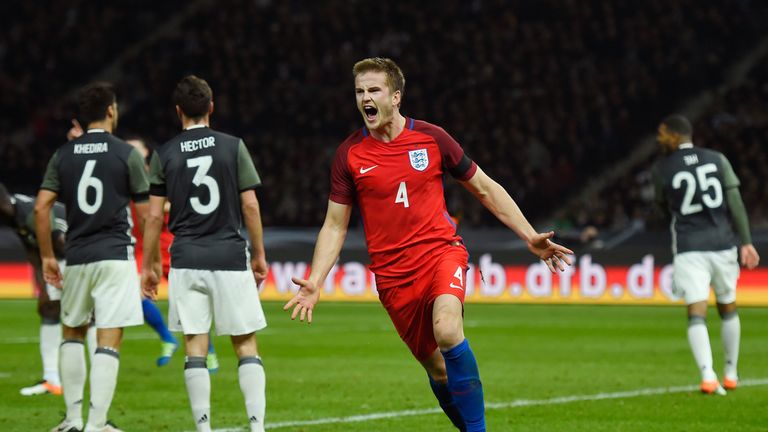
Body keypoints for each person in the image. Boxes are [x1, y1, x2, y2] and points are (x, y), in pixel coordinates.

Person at [283, 57, 573, 432]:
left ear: (396, 97)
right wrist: (316, 280)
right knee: (438, 370)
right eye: (359, 92)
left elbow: (484, 187)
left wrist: (529, 234)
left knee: (448, 330)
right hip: (393, 278)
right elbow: (335, 226)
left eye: (374, 90)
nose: (365, 99)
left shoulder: (432, 138)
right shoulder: (349, 155)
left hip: (441, 253)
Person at [141, 75, 269, 432]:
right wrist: (258, 254)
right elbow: (251, 206)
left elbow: (153, 216)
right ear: (212, 107)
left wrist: (150, 265)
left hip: (186, 259)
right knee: (245, 345)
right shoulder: (233, 146)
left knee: (195, 347)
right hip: (229, 256)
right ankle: (257, 427)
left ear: (178, 111)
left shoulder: (164, 154)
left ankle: (203, 427)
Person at [36, 82, 149, 432]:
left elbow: (41, 207)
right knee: (108, 336)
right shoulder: (126, 154)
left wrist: (46, 258)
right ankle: (98, 424)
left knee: (72, 332)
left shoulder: (63, 155)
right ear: (111, 111)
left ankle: (71, 420)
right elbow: (146, 214)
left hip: (78, 255)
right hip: (115, 255)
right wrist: (152, 262)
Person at [653, 114, 760, 395]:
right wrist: (746, 241)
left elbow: (662, 209)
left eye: (662, 133)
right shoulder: (717, 159)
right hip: (723, 243)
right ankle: (731, 372)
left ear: (675, 135)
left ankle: (707, 375)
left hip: (690, 247)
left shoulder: (663, 168)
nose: (658, 138)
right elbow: (735, 201)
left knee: (696, 312)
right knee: (728, 306)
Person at [124, 135, 220, 370]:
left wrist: (160, 206)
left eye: (134, 149)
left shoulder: (161, 173)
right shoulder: (123, 178)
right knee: (134, 296)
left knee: (189, 305)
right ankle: (167, 338)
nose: (129, 152)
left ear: (147, 153)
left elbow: (183, 201)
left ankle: (209, 352)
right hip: (143, 247)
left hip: (170, 244)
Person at [0, 183, 66, 396]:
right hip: (57, 258)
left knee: (83, 317)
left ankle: (93, 376)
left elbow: (61, 242)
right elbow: (32, 252)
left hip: (75, 254)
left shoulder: (30, 212)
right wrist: (43, 288)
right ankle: (51, 379)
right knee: (48, 309)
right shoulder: (12, 214)